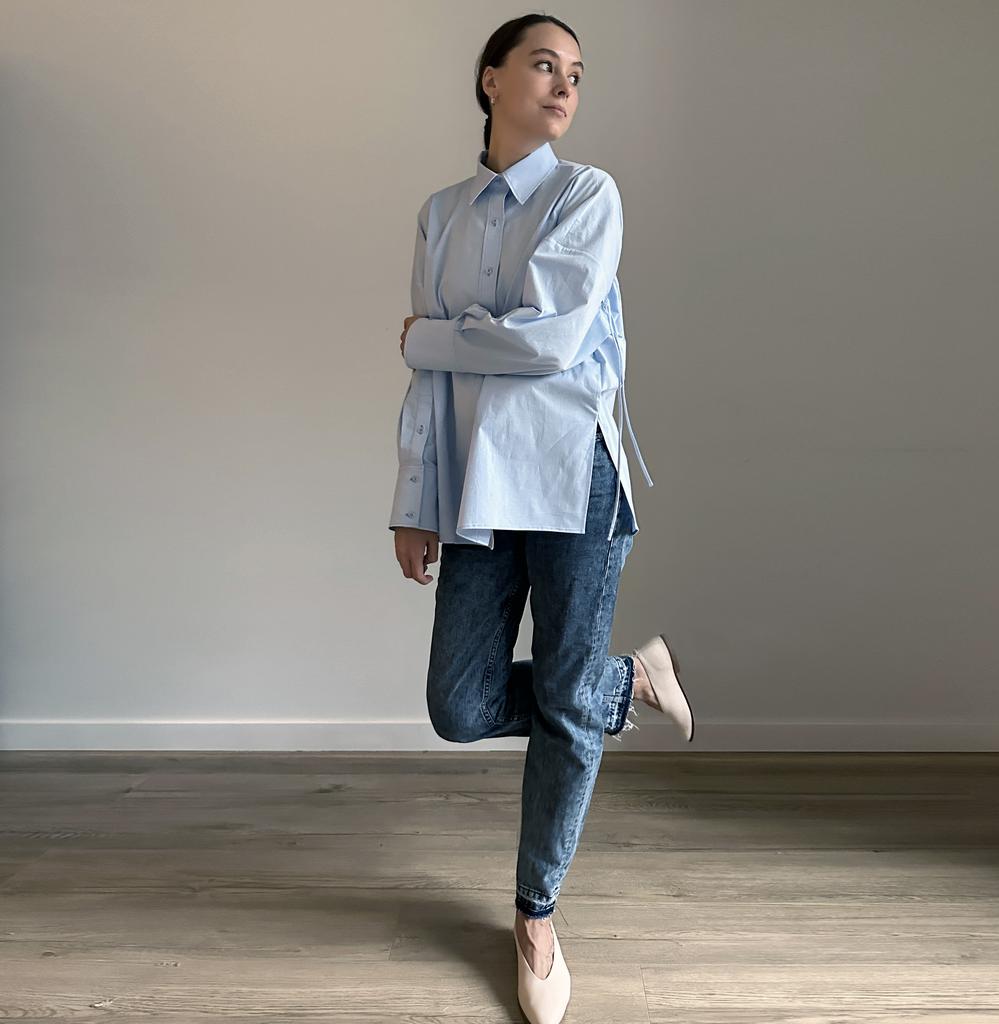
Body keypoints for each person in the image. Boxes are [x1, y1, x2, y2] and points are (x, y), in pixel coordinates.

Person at [389, 14, 694, 1023]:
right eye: (543, 65)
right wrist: (413, 501)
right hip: (479, 487)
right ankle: (629, 679)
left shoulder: (585, 195)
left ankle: (535, 916)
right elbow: (437, 384)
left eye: (576, 74)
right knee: (459, 703)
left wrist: (429, 335)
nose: (564, 85)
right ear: (490, 79)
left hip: (574, 479)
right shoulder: (440, 214)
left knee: (562, 709)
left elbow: (549, 344)